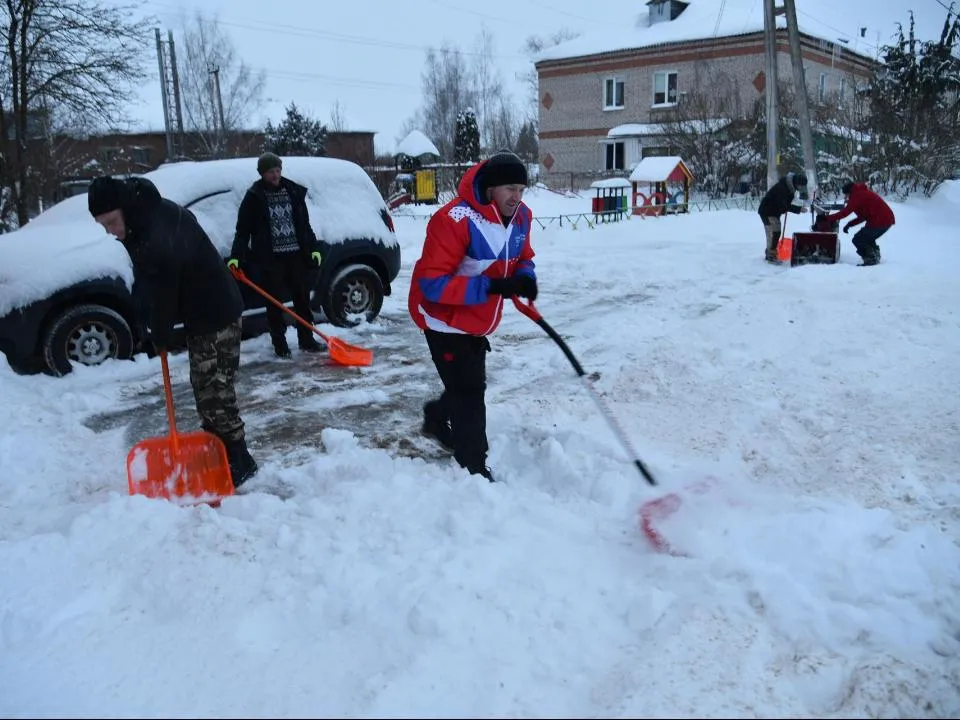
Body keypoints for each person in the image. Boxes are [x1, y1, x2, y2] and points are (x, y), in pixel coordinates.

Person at [87, 175, 259, 487]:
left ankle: (240, 460)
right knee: (205, 387)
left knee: (215, 391)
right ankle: (217, 451)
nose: (109, 231)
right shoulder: (142, 219)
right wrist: (148, 319)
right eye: (103, 225)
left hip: (215, 312)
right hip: (200, 312)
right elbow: (149, 282)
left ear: (124, 207)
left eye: (111, 222)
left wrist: (160, 332)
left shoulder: (154, 232)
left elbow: (164, 290)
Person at [408, 151, 538, 483]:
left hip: (477, 321)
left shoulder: (521, 217)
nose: (517, 197)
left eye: (521, 189)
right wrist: (493, 286)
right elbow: (433, 285)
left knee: (466, 385)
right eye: (510, 189)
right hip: (443, 320)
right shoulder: (454, 220)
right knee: (470, 394)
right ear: (491, 188)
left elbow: (524, 256)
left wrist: (525, 277)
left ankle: (436, 416)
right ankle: (473, 467)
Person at [228, 152, 324, 358]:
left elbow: (304, 225)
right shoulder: (254, 197)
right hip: (271, 260)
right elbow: (243, 231)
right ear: (262, 173)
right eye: (271, 171)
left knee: (302, 299)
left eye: (278, 170)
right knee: (274, 303)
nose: (275, 175)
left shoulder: (293, 191)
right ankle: (280, 345)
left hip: (296, 255)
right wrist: (236, 256)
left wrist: (314, 248)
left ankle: (307, 340)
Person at [822, 181, 895, 266]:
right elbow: (862, 217)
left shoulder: (857, 196)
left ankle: (871, 259)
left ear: (849, 192)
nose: (846, 197)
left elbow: (844, 213)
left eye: (846, 194)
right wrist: (849, 224)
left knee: (858, 239)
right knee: (867, 238)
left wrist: (826, 218)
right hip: (885, 220)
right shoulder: (861, 193)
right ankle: (875, 257)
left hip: (880, 220)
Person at [757, 171, 808, 263]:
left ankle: (771, 253)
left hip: (774, 212)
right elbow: (783, 206)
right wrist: (798, 209)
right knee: (774, 232)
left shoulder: (790, 188)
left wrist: (791, 207)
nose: (801, 188)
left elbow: (785, 205)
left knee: (775, 231)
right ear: (796, 183)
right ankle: (771, 255)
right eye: (801, 186)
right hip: (767, 211)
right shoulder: (782, 188)